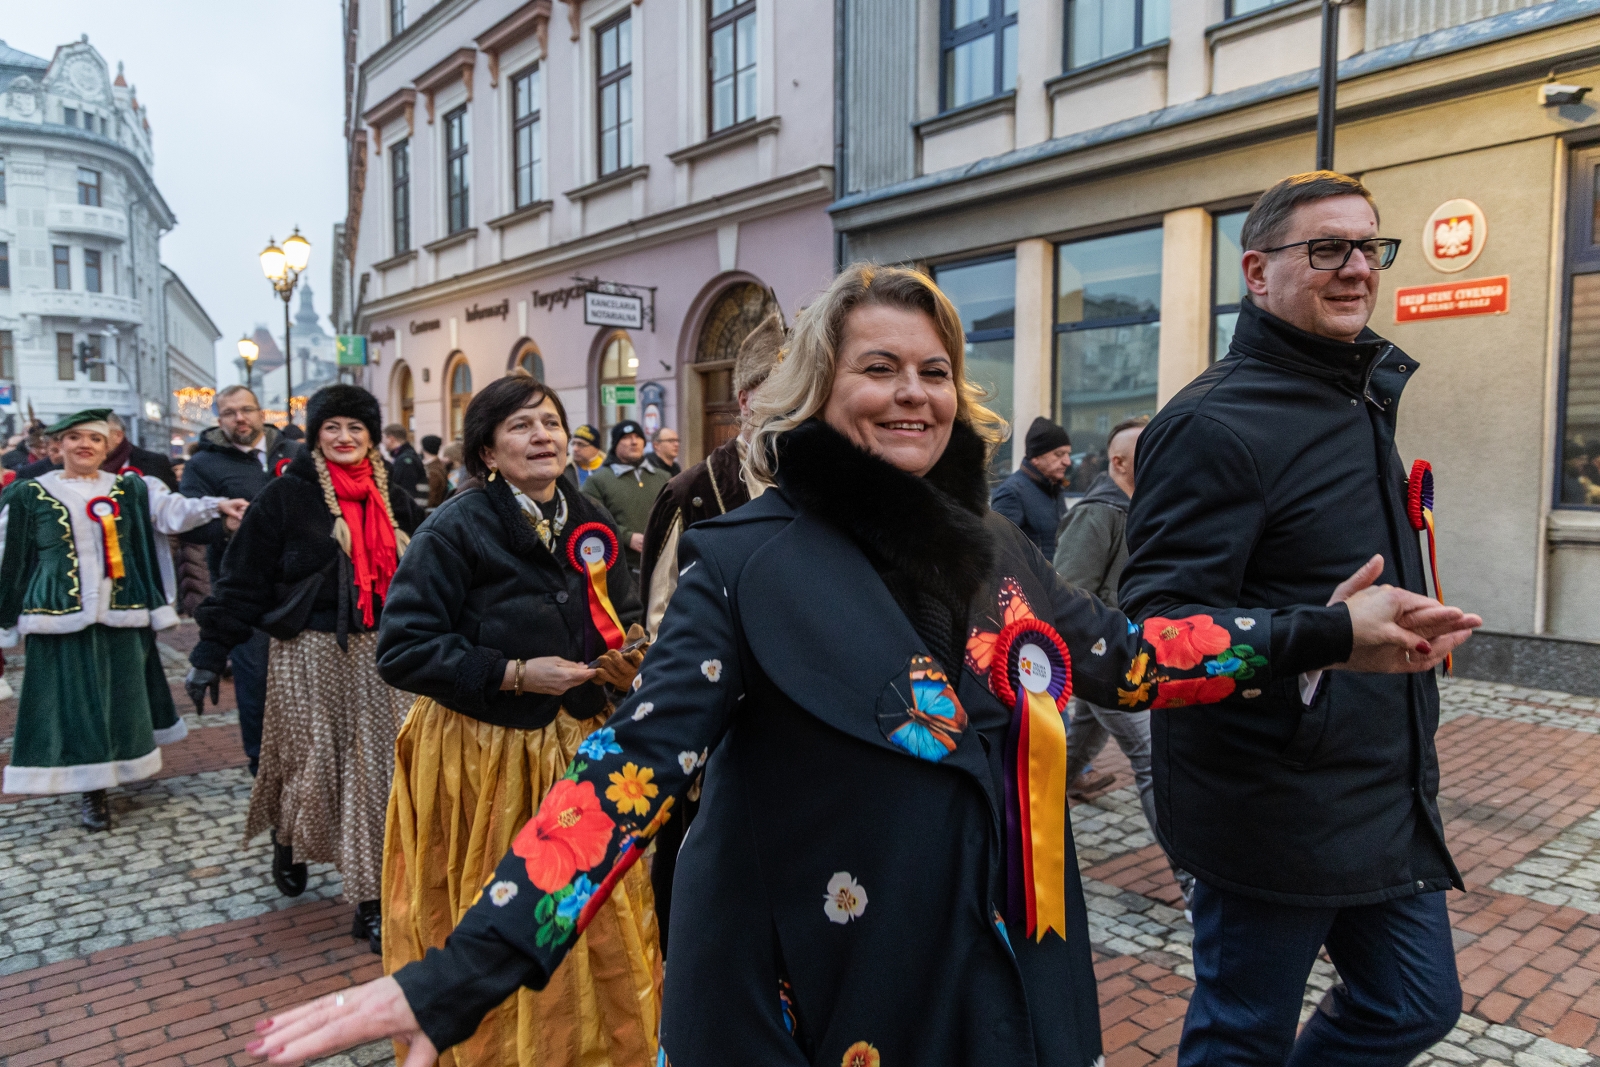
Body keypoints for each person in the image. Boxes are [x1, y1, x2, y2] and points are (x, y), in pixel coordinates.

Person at [252, 263, 1475, 1067]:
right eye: (879, 366)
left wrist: (1326, 634)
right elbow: (633, 768)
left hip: (1001, 962)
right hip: (824, 984)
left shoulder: (993, 543)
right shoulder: (747, 558)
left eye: (934, 369)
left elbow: (1124, 655)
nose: (913, 393)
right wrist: (468, 968)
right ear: (819, 388)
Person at [1118, 171, 1478, 1067]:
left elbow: (1331, 583)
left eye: (1369, 245)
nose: (1357, 267)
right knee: (1241, 1036)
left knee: (1414, 1002)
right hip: (1267, 805)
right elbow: (1155, 634)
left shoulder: (1356, 397)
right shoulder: (1211, 423)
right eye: (1327, 248)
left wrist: (1401, 620)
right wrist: (1327, 637)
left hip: (1379, 791)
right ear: (1256, 271)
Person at [372, 373, 655, 1067]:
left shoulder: (589, 517)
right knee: (504, 899)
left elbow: (616, 614)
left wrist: (630, 656)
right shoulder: (454, 527)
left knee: (594, 910)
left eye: (552, 422)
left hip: (579, 744)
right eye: (523, 426)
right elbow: (402, 649)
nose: (544, 436)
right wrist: (515, 671)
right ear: (488, 453)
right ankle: (501, 1046)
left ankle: (595, 1042)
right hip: (487, 752)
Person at [187, 384, 421, 952]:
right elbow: (241, 581)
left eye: (356, 429)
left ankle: (370, 902)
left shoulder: (396, 498)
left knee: (378, 777)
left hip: (382, 655)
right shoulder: (286, 497)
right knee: (311, 768)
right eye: (333, 428)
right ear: (316, 435)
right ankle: (288, 840)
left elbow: (430, 576)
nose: (344, 438)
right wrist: (209, 654)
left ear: (371, 437)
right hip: (310, 653)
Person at [0, 409, 247, 830]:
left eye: (94, 439)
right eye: (75, 438)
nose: (85, 446)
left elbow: (173, 511)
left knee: (120, 696)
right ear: (57, 446)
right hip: (58, 614)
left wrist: (216, 506)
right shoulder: (29, 494)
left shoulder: (131, 489)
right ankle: (91, 790)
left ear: (107, 444)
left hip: (121, 608)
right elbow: (9, 553)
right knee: (72, 702)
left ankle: (122, 768)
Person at [636, 309, 782, 952]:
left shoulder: (823, 484)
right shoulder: (695, 490)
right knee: (705, 880)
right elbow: (663, 614)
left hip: (797, 723)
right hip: (718, 722)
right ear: (748, 400)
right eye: (786, 391)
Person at [1051, 416, 1195, 907]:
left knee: (1076, 746)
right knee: (1154, 760)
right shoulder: (1098, 514)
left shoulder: (1145, 509)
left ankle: (1042, 796)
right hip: (1110, 663)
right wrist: (1106, 658)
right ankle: (1194, 883)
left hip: (1137, 655)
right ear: (1119, 461)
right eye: (1149, 451)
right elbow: (1068, 596)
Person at [180, 385, 302, 775]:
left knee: (302, 678)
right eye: (230, 412)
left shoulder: (294, 454)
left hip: (301, 586)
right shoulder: (204, 465)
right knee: (256, 678)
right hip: (243, 587)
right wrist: (225, 526)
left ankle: (305, 759)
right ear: (220, 420)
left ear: (261, 413)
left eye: (246, 410)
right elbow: (191, 526)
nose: (240, 418)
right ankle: (261, 762)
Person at [581, 420, 669, 574]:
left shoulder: (663, 477)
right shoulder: (597, 481)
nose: (634, 442)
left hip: (661, 567)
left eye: (638, 437)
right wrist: (627, 538)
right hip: (621, 571)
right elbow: (590, 519)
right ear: (615, 444)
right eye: (626, 437)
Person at [992, 417, 1073, 559]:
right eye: (1059, 454)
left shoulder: (1054, 488)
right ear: (1036, 457)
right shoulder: (1011, 492)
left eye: (1068, 454)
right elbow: (1001, 553)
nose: (1067, 461)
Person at [103, 413, 178, 490]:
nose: (89, 444)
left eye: (96, 438)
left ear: (118, 435)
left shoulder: (155, 463)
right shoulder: (91, 466)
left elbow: (171, 499)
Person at [384, 424, 429, 511]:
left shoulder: (406, 460)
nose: (383, 442)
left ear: (391, 439)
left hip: (410, 512)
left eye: (384, 438)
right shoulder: (404, 456)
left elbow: (407, 491)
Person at [420, 434, 448, 510]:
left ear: (424, 448)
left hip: (429, 511)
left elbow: (431, 496)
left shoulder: (433, 470)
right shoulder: (439, 465)